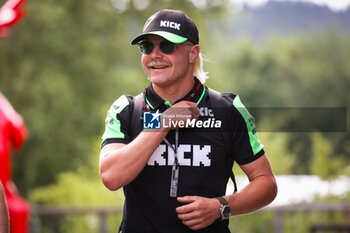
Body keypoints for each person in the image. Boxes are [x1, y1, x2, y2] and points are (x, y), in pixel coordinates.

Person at [99, 9, 277, 233]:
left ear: (193, 53)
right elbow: (111, 177)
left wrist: (221, 206)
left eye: (167, 46)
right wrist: (163, 123)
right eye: (146, 47)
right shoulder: (127, 109)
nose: (155, 54)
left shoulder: (227, 110)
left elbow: (266, 183)